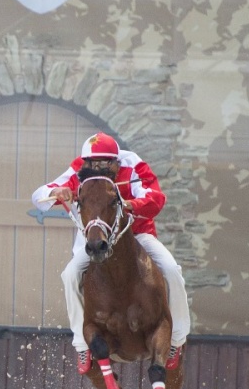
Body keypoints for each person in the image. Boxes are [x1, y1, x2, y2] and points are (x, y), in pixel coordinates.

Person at [31, 132, 191, 374]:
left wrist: (130, 205)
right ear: (85, 162)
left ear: (117, 161)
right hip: (99, 239)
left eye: (106, 163)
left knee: (171, 269)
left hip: (137, 235)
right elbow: (39, 195)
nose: (99, 168)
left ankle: (176, 339)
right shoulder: (80, 169)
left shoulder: (133, 164)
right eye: (93, 164)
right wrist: (58, 192)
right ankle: (81, 344)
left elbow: (156, 198)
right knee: (70, 274)